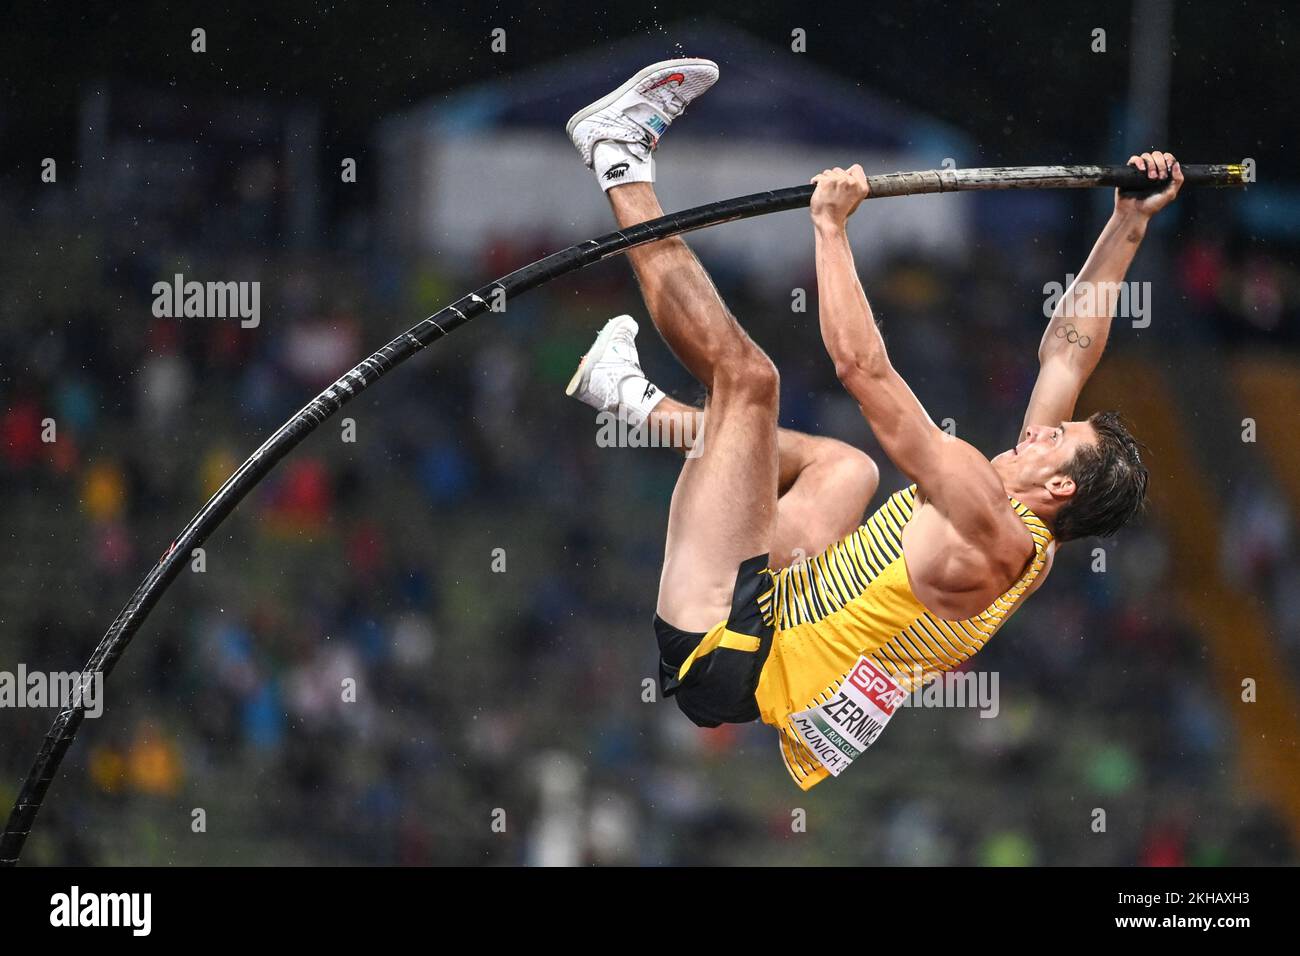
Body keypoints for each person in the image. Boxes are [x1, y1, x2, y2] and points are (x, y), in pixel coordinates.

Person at [564, 59, 1173, 789]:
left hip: (727, 645)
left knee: (749, 382)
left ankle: (617, 155)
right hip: (776, 607)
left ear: (1062, 489)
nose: (1044, 429)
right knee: (845, 469)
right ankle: (635, 404)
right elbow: (1068, 356)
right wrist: (1127, 225)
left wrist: (830, 229)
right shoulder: (1023, 524)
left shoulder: (990, 524)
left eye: (1059, 439)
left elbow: (863, 371)